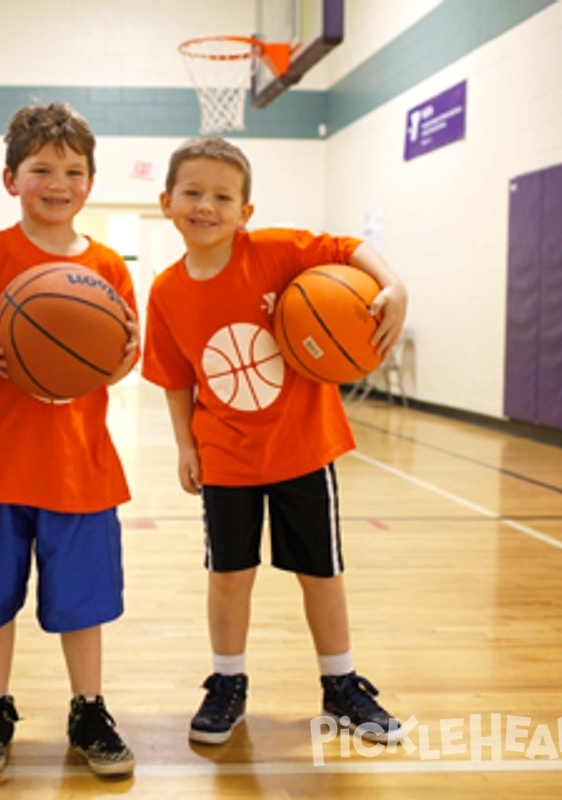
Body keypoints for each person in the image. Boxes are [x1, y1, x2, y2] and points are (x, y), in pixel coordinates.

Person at [140, 137, 409, 747]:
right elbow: (176, 378)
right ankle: (227, 681)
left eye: (222, 196)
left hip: (302, 448)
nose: (205, 205)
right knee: (229, 574)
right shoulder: (165, 291)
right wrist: (186, 446)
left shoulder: (274, 253)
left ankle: (340, 684)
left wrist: (394, 284)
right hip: (226, 456)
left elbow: (347, 247)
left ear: (245, 211)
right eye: (193, 193)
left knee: (321, 573)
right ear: (167, 202)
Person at [0, 101, 139, 778]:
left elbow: (120, 361)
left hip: (79, 467)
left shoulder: (110, 267)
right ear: (11, 179)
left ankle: (88, 706)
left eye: (72, 170)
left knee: (81, 603)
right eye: (41, 169)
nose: (57, 182)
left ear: (89, 182)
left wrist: (117, 358)